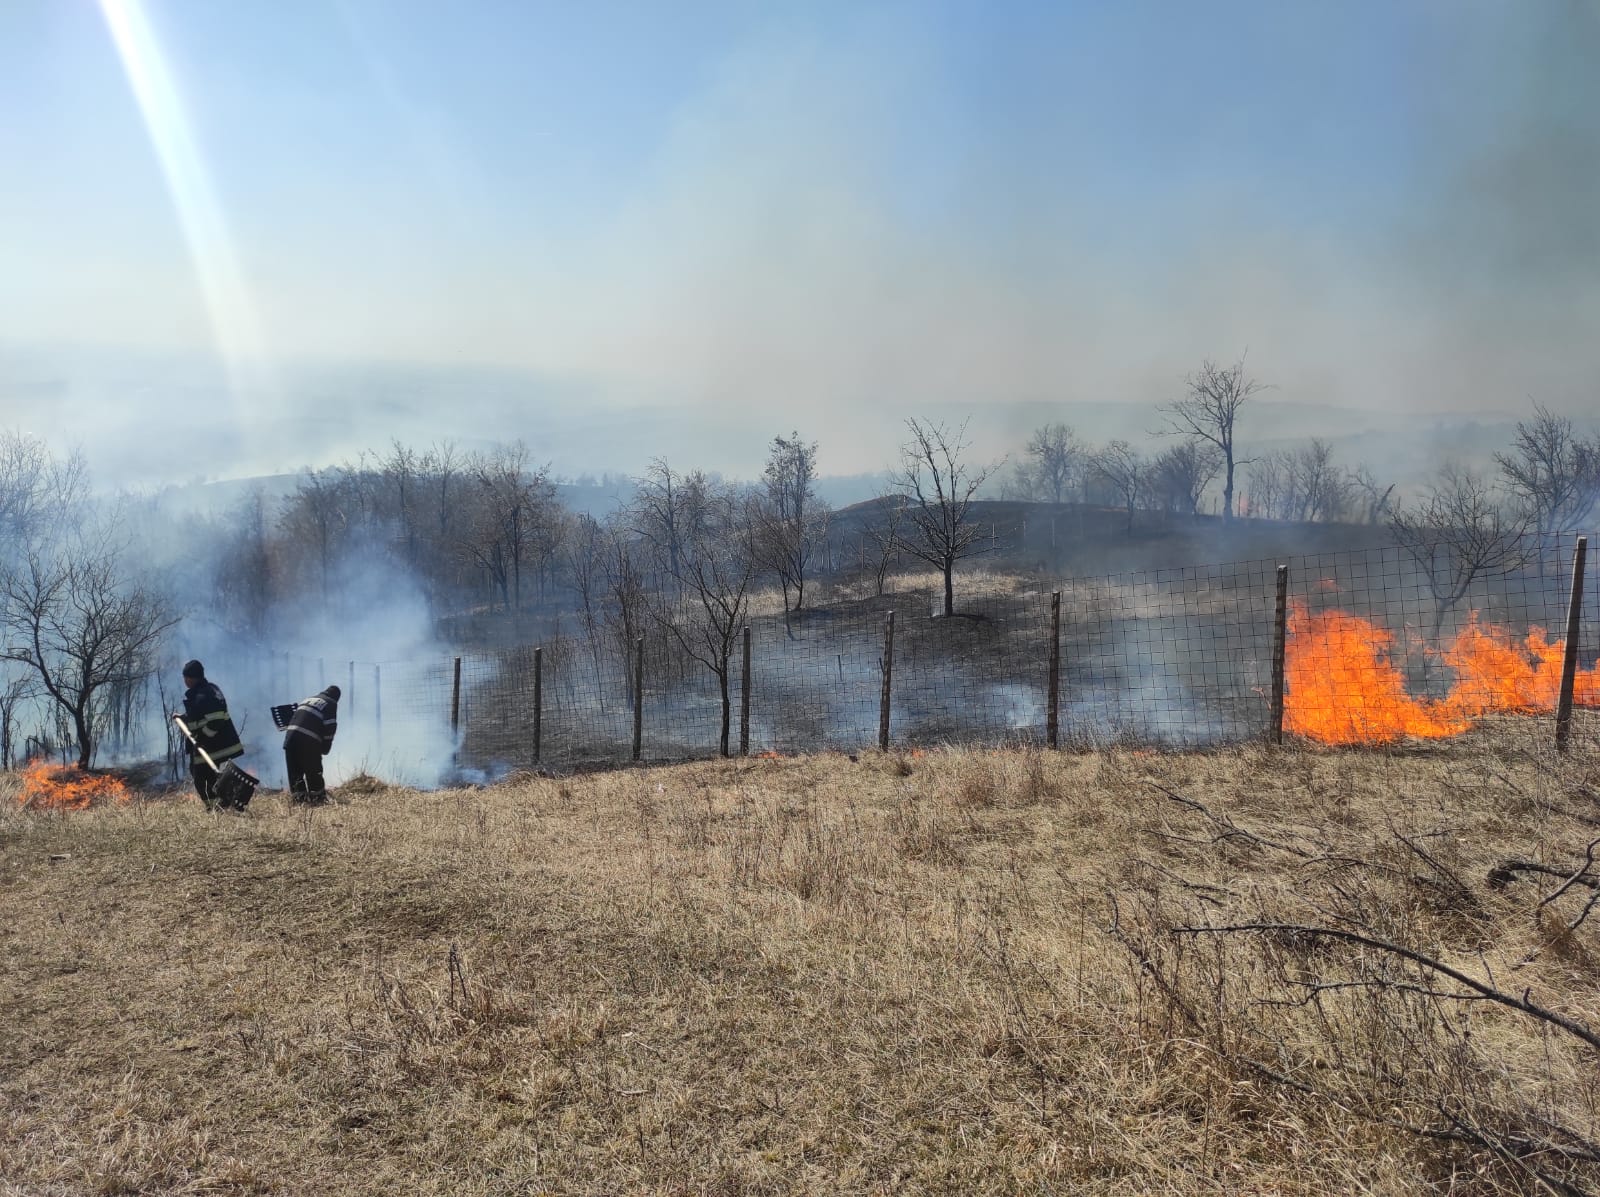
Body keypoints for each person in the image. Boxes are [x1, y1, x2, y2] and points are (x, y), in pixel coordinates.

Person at [178, 660, 245, 810]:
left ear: (191, 678)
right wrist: (184, 718)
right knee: (204, 776)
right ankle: (223, 804)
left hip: (213, 746)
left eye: (185, 678)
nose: (185, 681)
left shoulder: (204, 695)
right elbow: (201, 715)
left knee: (202, 780)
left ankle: (216, 808)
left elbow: (216, 720)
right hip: (217, 745)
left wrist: (203, 739)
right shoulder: (208, 690)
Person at [283, 684, 340, 805]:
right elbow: (330, 726)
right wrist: (325, 748)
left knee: (295, 773)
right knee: (313, 771)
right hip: (308, 741)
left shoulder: (309, 699)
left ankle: (300, 802)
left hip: (290, 739)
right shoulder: (331, 703)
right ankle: (317, 800)